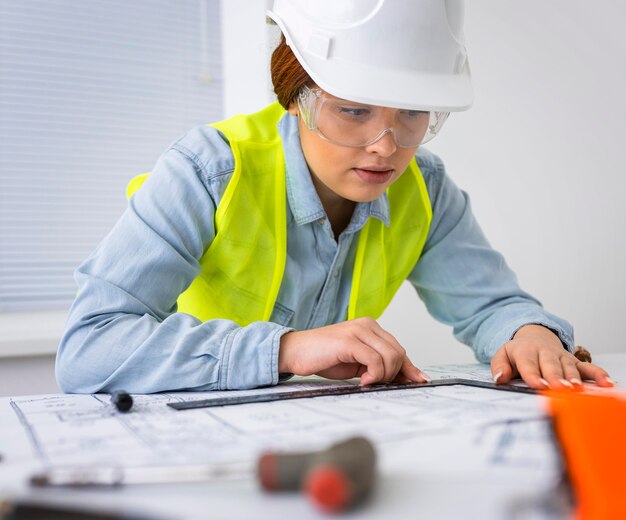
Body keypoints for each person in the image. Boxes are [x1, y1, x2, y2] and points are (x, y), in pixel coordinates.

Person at [56, 0, 613, 393]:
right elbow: (91, 347)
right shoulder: (208, 170)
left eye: (413, 112)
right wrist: (287, 349)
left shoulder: (426, 187)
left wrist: (530, 333)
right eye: (353, 110)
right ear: (294, 95)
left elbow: (493, 305)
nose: (386, 147)